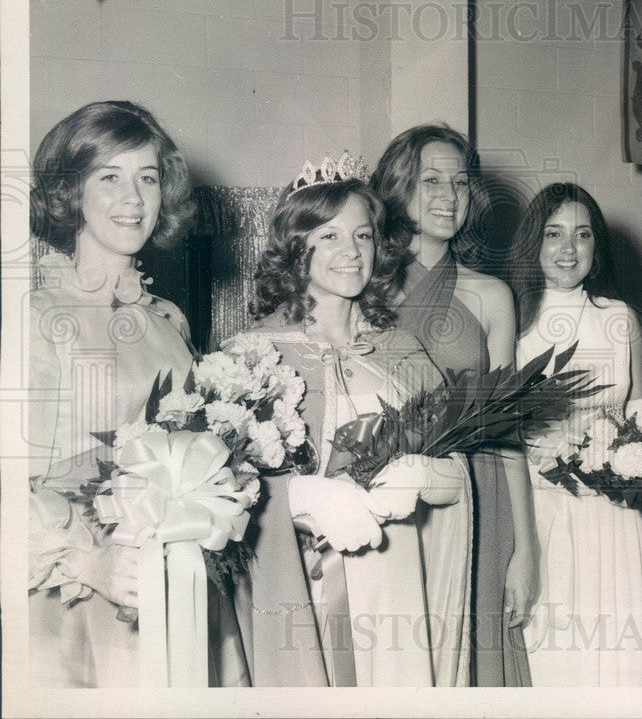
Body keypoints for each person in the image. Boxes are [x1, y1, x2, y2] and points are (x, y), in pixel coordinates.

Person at [27, 101, 244, 687]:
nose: (134, 197)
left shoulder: (167, 320)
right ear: (70, 191)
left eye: (148, 178)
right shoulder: (34, 317)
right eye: (110, 176)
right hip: (72, 598)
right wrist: (87, 560)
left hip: (171, 582)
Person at [234, 162, 472, 687]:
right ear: (297, 247)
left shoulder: (403, 350)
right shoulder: (253, 355)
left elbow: (459, 475)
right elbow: (228, 495)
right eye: (330, 235)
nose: (352, 250)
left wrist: (422, 477)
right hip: (307, 586)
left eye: (363, 234)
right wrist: (301, 496)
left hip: (402, 584)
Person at [371, 125, 537, 687]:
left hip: (476, 489)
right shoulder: (363, 282)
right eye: (431, 181)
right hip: (383, 488)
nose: (449, 196)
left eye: (461, 184)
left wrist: (524, 546)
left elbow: (506, 425)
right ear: (398, 189)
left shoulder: (492, 295)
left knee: (472, 660)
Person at [510, 182, 642, 686]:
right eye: (553, 234)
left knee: (620, 659)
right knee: (557, 659)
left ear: (596, 247)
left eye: (581, 235)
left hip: (617, 515)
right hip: (544, 515)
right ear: (534, 244)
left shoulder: (621, 320)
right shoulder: (511, 322)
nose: (567, 249)